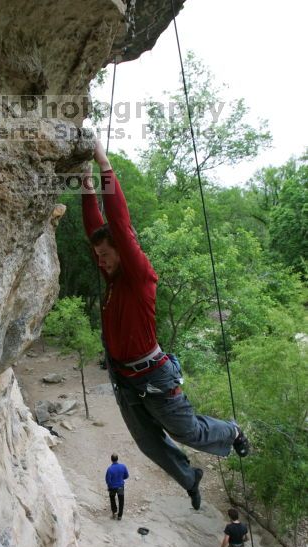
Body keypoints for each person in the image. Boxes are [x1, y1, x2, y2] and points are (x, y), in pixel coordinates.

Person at [82, 139, 250, 511]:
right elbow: (95, 226)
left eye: (106, 256)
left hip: (154, 377)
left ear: (124, 253)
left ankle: (233, 430)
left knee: (185, 432)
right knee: (147, 442)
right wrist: (87, 183)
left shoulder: (139, 278)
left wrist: (103, 164)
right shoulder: (112, 281)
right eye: (98, 256)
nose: (102, 262)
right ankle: (190, 478)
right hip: (125, 377)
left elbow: (120, 228)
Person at [105, 453, 129, 520]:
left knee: (112, 499)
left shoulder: (110, 469)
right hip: (120, 486)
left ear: (111, 459)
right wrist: (121, 478)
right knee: (121, 501)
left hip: (112, 487)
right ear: (117, 459)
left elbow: (108, 480)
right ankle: (120, 516)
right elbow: (126, 476)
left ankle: (114, 512)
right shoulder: (123, 466)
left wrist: (109, 486)